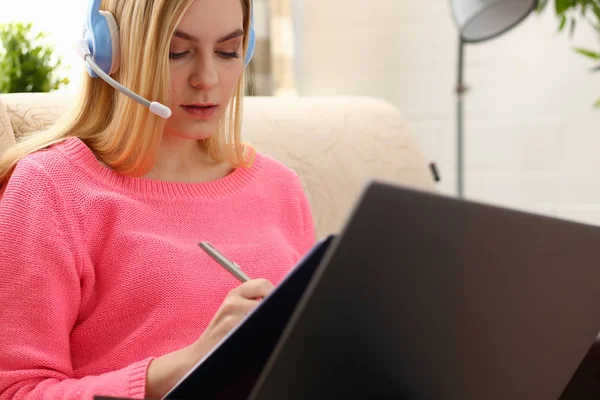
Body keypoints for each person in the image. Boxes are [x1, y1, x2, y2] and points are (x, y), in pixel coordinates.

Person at [0, 0, 316, 398]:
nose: (207, 78)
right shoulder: (50, 189)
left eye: (227, 52)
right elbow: (16, 391)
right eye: (176, 52)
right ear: (111, 52)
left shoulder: (280, 187)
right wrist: (192, 362)